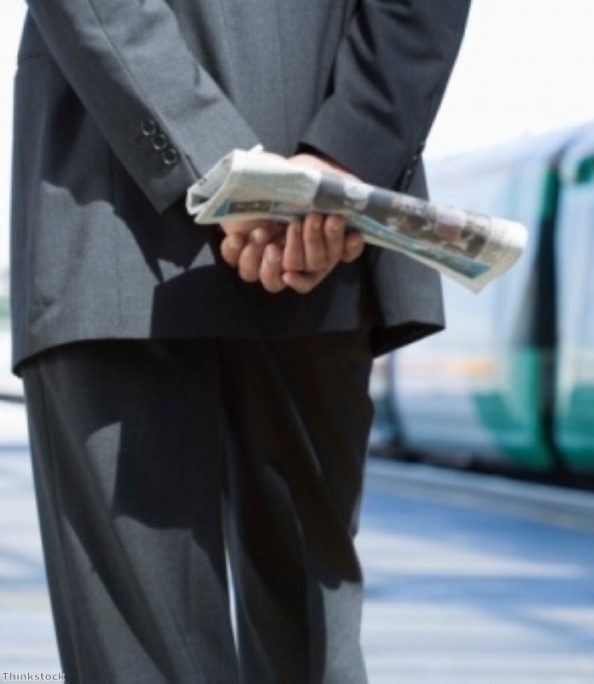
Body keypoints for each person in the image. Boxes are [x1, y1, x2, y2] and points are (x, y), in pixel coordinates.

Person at [11, 2, 470, 682]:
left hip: (111, 208)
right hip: (320, 233)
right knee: (310, 643)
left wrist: (227, 164)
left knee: (146, 655)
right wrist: (348, 149)